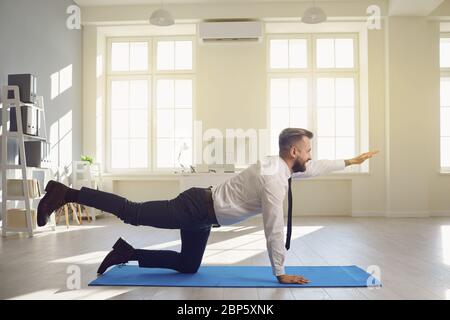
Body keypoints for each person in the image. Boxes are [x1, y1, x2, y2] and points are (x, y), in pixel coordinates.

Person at [37, 128, 378, 285]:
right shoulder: (274, 179)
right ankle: (66, 192)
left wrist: (350, 161)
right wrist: (280, 272)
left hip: (205, 216)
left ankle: (125, 254)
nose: (310, 156)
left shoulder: (281, 166)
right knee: (133, 211)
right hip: (195, 208)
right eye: (307, 151)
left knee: (188, 267)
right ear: (293, 153)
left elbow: (314, 168)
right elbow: (274, 227)